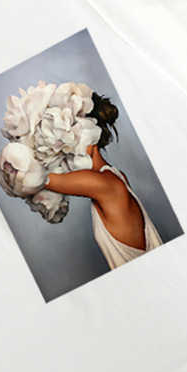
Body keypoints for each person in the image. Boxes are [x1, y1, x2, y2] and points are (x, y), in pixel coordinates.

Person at [43, 93, 163, 269]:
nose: (67, 148)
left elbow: (35, 177)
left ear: (92, 136)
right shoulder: (115, 177)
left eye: (75, 136)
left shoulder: (104, 184)